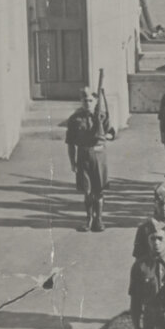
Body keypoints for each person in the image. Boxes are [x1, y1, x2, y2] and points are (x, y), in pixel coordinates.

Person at [65, 86, 115, 232]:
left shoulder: (102, 116)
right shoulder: (75, 119)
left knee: (98, 190)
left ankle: (98, 219)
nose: (88, 103)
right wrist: (72, 162)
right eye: (85, 100)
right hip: (83, 156)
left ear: (96, 101)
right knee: (87, 191)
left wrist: (104, 136)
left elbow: (111, 133)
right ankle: (89, 219)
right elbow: (70, 143)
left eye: (91, 100)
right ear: (81, 101)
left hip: (99, 156)